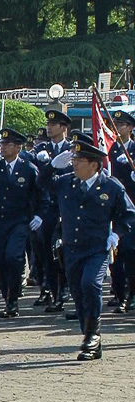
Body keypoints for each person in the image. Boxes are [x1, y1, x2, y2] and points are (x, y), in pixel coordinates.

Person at [39, 140, 135, 360]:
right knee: (78, 291)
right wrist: (52, 165)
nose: (74, 165)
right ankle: (90, 335)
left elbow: (129, 213)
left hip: (97, 248)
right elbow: (42, 182)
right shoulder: (66, 183)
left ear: (94, 165)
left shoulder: (111, 186)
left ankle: (92, 335)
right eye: (73, 160)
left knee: (90, 284)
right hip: (72, 248)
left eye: (79, 161)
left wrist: (117, 233)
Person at [0, 128, 48, 318]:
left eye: (7, 144)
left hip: (20, 221)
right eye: (2, 144)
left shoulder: (28, 169)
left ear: (18, 147)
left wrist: (39, 215)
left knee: (14, 257)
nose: (2, 147)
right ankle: (8, 297)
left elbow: (41, 194)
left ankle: (13, 300)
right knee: (1, 262)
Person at [37, 110, 73, 313]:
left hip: (68, 205)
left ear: (64, 128)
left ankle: (65, 287)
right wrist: (50, 165)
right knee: (46, 251)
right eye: (48, 124)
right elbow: (39, 180)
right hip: (48, 207)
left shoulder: (72, 149)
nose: (49, 127)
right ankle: (54, 291)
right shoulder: (43, 150)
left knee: (65, 250)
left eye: (54, 124)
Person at [110, 110, 135, 313]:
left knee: (129, 252)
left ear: (130, 128)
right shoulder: (109, 148)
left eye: (121, 124)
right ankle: (120, 295)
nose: (117, 127)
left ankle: (131, 294)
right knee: (115, 256)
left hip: (132, 209)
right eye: (115, 123)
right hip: (113, 207)